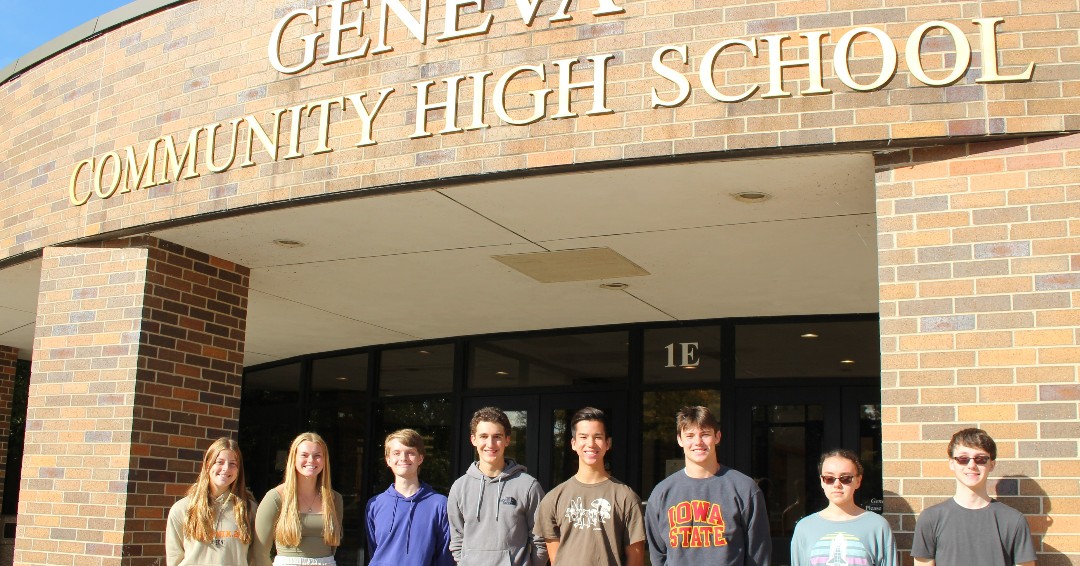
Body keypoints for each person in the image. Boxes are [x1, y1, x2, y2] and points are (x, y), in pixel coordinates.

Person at [644, 406, 771, 566]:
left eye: (705, 434)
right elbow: (658, 555)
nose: (698, 442)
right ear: (679, 440)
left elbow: (758, 553)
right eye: (689, 435)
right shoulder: (661, 494)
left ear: (717, 437)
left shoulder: (745, 489)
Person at [534, 407, 645, 566]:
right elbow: (556, 559)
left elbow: (635, 561)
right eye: (583, 437)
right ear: (573, 443)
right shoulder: (553, 499)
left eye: (598, 437)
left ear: (608, 443)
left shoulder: (626, 497)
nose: (591, 444)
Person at [912, 428, 1036, 566]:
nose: (971, 465)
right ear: (952, 463)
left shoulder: (1013, 521)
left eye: (980, 459)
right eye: (963, 459)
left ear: (992, 465)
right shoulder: (930, 519)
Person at [448, 407, 547, 566]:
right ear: (473, 439)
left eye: (497, 437)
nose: (490, 444)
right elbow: (457, 539)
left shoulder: (528, 486)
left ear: (507, 439)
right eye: (483, 436)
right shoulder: (459, 487)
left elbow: (540, 541)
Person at [790, 449, 897, 566]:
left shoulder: (878, 526)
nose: (837, 485)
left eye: (845, 478)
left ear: (858, 481)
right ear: (822, 481)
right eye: (829, 478)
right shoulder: (804, 528)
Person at [366, 429, 455, 566]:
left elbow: (444, 557)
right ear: (388, 460)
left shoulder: (439, 505)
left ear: (420, 458)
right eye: (396, 453)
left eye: (410, 453)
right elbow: (374, 550)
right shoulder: (375, 504)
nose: (403, 458)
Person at [254, 432, 344, 566]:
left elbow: (333, 548)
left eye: (317, 456)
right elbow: (259, 552)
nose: (311, 460)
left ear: (325, 460)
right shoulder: (275, 497)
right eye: (304, 455)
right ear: (293, 458)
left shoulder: (334, 498)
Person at [166, 437, 257, 566]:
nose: (226, 468)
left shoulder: (249, 510)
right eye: (219, 462)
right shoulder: (183, 509)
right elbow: (174, 558)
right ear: (208, 464)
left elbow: (255, 558)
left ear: (238, 470)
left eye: (232, 464)